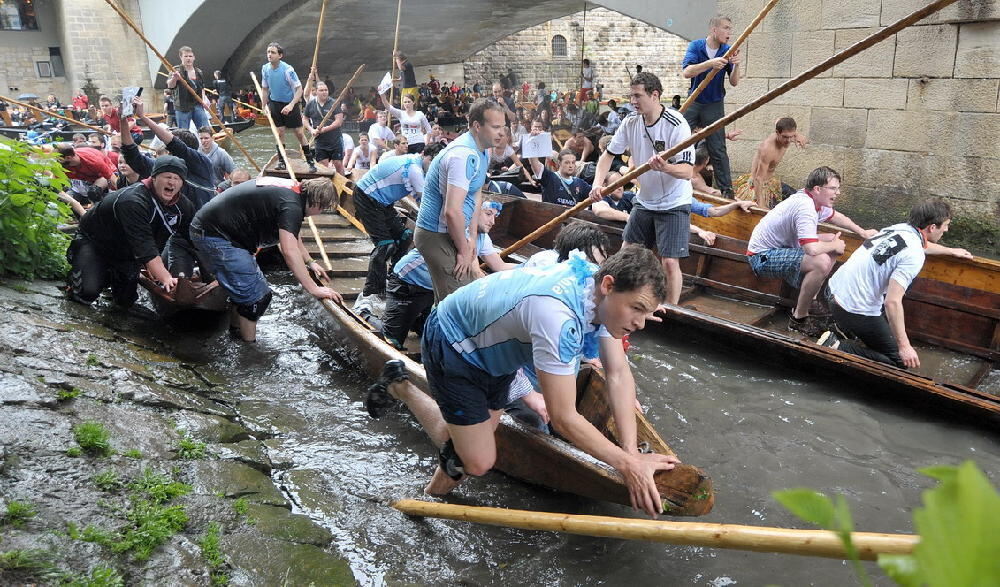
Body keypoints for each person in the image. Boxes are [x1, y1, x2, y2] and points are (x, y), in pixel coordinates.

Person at [413, 246, 678, 516]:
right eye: (638, 309)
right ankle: (404, 387)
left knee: (468, 442)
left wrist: (631, 451)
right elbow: (562, 417)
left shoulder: (596, 294)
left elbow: (618, 375)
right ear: (609, 285)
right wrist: (628, 466)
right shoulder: (558, 316)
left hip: (496, 351)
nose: (642, 324)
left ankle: (429, 497)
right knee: (478, 462)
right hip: (454, 342)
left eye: (647, 313)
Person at [818, 199, 972, 368]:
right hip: (851, 308)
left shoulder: (900, 229)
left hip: (832, 290)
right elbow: (892, 302)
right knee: (899, 361)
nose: (947, 229)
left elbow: (922, 246)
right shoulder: (914, 255)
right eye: (946, 225)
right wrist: (904, 346)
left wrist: (950, 251)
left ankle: (844, 329)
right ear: (932, 228)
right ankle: (838, 346)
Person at [190, 176, 343, 342]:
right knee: (256, 298)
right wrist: (313, 288)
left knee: (246, 292)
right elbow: (289, 251)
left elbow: (292, 233)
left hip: (216, 230)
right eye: (322, 209)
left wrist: (309, 262)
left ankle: (235, 334)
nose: (318, 214)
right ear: (317, 201)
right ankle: (249, 349)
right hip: (216, 235)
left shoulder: (293, 191)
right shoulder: (292, 205)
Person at [589, 71, 695, 307]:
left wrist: (666, 167)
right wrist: (597, 185)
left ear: (654, 95)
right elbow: (608, 155)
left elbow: (687, 171)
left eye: (637, 96)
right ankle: (618, 298)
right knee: (627, 253)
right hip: (645, 200)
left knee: (669, 262)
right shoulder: (630, 122)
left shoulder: (677, 125)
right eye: (631, 96)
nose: (633, 101)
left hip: (674, 202)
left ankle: (671, 309)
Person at [746, 166, 877, 337]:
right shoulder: (805, 206)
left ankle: (812, 297)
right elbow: (811, 249)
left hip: (783, 248)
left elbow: (837, 217)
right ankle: (799, 318)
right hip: (761, 257)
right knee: (822, 260)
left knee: (830, 239)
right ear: (817, 189)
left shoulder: (815, 201)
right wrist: (835, 246)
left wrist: (862, 232)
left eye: (838, 188)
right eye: (833, 188)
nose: (837, 193)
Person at [378, 200, 515, 349]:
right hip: (408, 284)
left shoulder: (482, 238)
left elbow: (500, 266)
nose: (493, 221)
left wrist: (533, 267)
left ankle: (416, 321)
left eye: (495, 216)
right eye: (488, 214)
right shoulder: (461, 232)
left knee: (433, 336)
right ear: (474, 213)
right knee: (392, 340)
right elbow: (475, 274)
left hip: (434, 290)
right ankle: (365, 313)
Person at [66, 156, 196, 307]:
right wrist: (166, 278)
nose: (172, 182)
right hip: (96, 242)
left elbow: (194, 240)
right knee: (86, 293)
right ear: (153, 178)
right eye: (167, 177)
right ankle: (84, 276)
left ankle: (110, 277)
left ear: (182, 184)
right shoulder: (133, 201)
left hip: (128, 252)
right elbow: (145, 247)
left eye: (177, 179)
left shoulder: (184, 207)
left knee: (125, 301)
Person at [413, 98, 505, 302]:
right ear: (477, 126)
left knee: (464, 292)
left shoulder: (483, 152)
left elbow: (475, 195)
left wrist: (471, 239)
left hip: (453, 231)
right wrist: (464, 250)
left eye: (503, 127)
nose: (502, 132)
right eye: (496, 127)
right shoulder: (462, 155)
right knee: (460, 302)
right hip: (435, 234)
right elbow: (452, 211)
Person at [353, 143, 444, 310]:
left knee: (405, 236)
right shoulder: (415, 169)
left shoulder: (419, 167)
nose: (433, 167)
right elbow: (425, 203)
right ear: (424, 155)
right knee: (385, 245)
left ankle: (392, 276)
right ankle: (371, 292)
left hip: (383, 202)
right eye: (432, 161)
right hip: (367, 196)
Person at [681, 15, 742, 199]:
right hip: (694, 100)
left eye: (730, 29)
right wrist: (710, 64)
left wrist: (737, 65)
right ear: (714, 30)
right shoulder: (696, 46)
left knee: (718, 148)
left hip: (714, 104)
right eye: (725, 28)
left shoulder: (727, 50)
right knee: (677, 138)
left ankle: (727, 192)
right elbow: (687, 72)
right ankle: (666, 176)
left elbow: (734, 82)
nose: (729, 32)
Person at [130, 98, 217, 209]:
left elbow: (175, 144)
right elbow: (134, 158)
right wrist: (123, 121)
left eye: (169, 150)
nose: (167, 152)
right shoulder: (166, 167)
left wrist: (143, 117)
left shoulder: (203, 163)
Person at [260, 42, 316, 171]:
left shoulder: (288, 70)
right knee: (279, 133)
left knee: (299, 133)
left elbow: (299, 89)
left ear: (280, 55)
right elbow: (264, 88)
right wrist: (264, 106)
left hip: (290, 102)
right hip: (274, 103)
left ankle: (310, 161)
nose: (269, 55)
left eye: (273, 52)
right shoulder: (265, 69)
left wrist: (291, 105)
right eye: (268, 52)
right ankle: (281, 161)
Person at [734, 117, 807, 208]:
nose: (788, 140)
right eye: (785, 137)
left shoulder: (785, 134)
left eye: (791, 136)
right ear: (777, 133)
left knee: (801, 200)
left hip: (771, 183)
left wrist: (797, 134)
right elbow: (758, 178)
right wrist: (761, 203)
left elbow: (778, 120)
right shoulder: (767, 149)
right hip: (758, 188)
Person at [303, 72, 345, 173]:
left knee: (338, 164)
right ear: (316, 92)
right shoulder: (310, 104)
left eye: (326, 90)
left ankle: (343, 185)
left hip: (335, 139)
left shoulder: (334, 103)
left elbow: (339, 121)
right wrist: (311, 130)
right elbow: (304, 119)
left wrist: (325, 129)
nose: (324, 92)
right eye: (321, 90)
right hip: (320, 141)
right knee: (323, 165)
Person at [168, 46, 211, 132]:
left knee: (205, 129)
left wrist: (204, 100)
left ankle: (206, 143)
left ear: (194, 57)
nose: (188, 58)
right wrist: (174, 78)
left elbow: (202, 88)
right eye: (186, 56)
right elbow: (170, 86)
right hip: (182, 106)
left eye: (190, 56)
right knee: (184, 132)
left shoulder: (199, 72)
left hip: (197, 104)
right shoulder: (176, 71)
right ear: (181, 57)